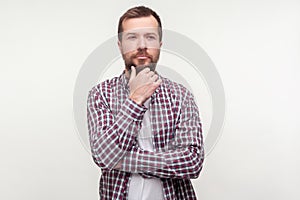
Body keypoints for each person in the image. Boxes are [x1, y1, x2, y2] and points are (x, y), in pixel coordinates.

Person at [87, 5, 204, 200]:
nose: (142, 45)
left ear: (160, 43)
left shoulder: (181, 95)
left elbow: (192, 162)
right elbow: (103, 156)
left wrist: (122, 160)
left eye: (150, 37)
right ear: (120, 45)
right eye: (132, 37)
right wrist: (135, 100)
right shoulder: (101, 94)